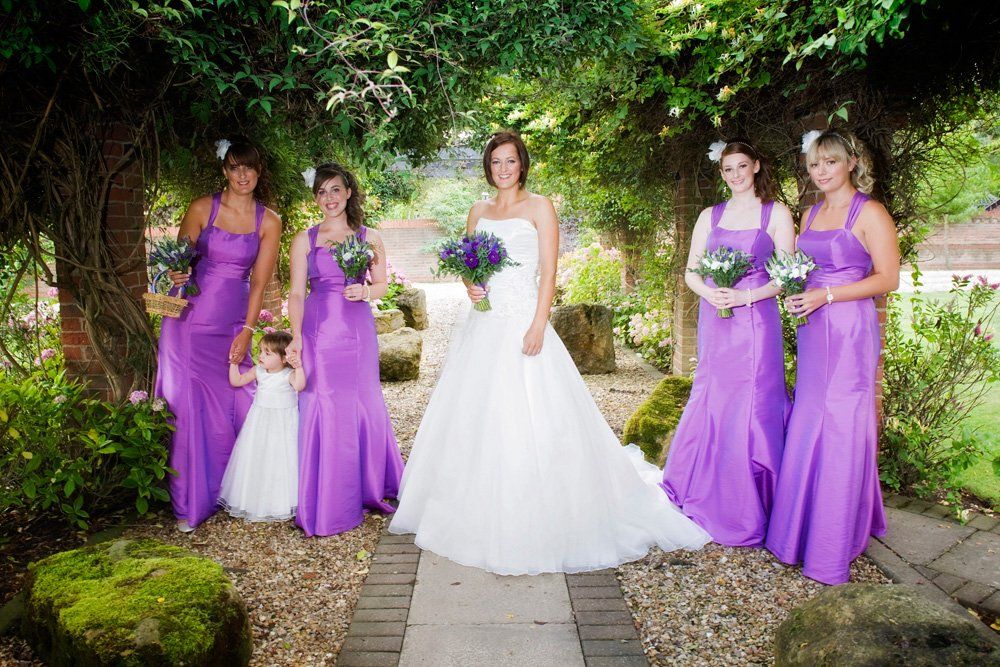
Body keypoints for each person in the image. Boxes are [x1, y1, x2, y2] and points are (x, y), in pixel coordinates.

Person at [389, 131, 710, 575]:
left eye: (510, 161)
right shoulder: (477, 211)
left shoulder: (540, 207)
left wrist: (539, 323)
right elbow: (469, 268)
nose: (503, 169)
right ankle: (472, 506)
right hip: (482, 324)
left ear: (522, 165)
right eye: (496, 161)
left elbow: (548, 272)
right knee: (475, 414)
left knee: (535, 414)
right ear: (489, 167)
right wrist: (470, 286)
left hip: (524, 321)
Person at [766, 129, 900, 585]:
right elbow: (806, 270)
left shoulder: (872, 212)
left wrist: (828, 294)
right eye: (814, 165)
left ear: (850, 163)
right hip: (813, 327)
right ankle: (798, 530)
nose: (821, 172)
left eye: (829, 162)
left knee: (841, 420)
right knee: (808, 415)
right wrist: (797, 292)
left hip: (848, 329)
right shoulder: (812, 212)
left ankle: (832, 540)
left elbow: (888, 279)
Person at [661, 139, 794, 547]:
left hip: (755, 322)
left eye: (741, 166)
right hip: (716, 319)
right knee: (714, 396)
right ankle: (702, 488)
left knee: (753, 402)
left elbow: (787, 275)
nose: (735, 175)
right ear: (721, 173)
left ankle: (753, 502)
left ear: (756, 166)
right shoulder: (709, 215)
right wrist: (709, 292)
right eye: (727, 169)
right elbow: (690, 271)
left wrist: (744, 296)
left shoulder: (777, 213)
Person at [156, 136, 281, 532]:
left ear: (259, 172)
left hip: (232, 322)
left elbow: (259, 284)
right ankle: (192, 503)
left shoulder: (270, 221)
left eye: (248, 167)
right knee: (191, 409)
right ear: (224, 170)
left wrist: (247, 330)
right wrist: (176, 273)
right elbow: (178, 263)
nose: (242, 175)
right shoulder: (201, 208)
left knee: (239, 399)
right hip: (188, 323)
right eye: (234, 167)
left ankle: (243, 491)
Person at [287, 162, 404, 537]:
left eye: (335, 189)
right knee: (322, 402)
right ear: (315, 198)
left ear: (349, 192)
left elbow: (383, 284)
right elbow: (294, 293)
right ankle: (327, 493)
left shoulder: (370, 237)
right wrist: (296, 338)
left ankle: (369, 484)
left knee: (363, 401)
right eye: (321, 192)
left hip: (356, 329)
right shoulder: (304, 239)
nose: (329, 198)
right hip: (319, 331)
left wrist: (367, 291)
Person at [218, 331, 304, 521]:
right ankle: (254, 499)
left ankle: (282, 501)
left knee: (282, 459)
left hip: (283, 423)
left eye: (267, 353)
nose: (261, 356)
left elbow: (299, 386)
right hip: (259, 421)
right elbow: (237, 381)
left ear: (283, 358)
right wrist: (233, 364)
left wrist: (298, 367)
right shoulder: (258, 371)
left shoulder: (288, 374)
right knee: (258, 457)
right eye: (261, 351)